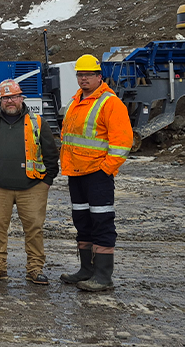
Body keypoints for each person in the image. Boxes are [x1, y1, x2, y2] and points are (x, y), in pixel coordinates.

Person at [0, 79, 59, 285]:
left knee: (34, 229)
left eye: (14, 97)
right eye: (6, 98)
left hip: (32, 187)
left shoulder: (37, 122)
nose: (10, 101)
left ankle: (35, 268)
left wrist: (47, 180)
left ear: (21, 98)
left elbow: (51, 153)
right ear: (1, 100)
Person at [59, 54, 132, 292]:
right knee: (82, 221)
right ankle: (86, 270)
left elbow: (122, 143)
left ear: (99, 76)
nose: (83, 79)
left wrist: (105, 170)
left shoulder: (110, 103)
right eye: (80, 75)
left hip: (97, 175)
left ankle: (103, 276)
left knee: (101, 221)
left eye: (88, 75)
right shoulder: (75, 101)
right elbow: (68, 138)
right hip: (76, 173)